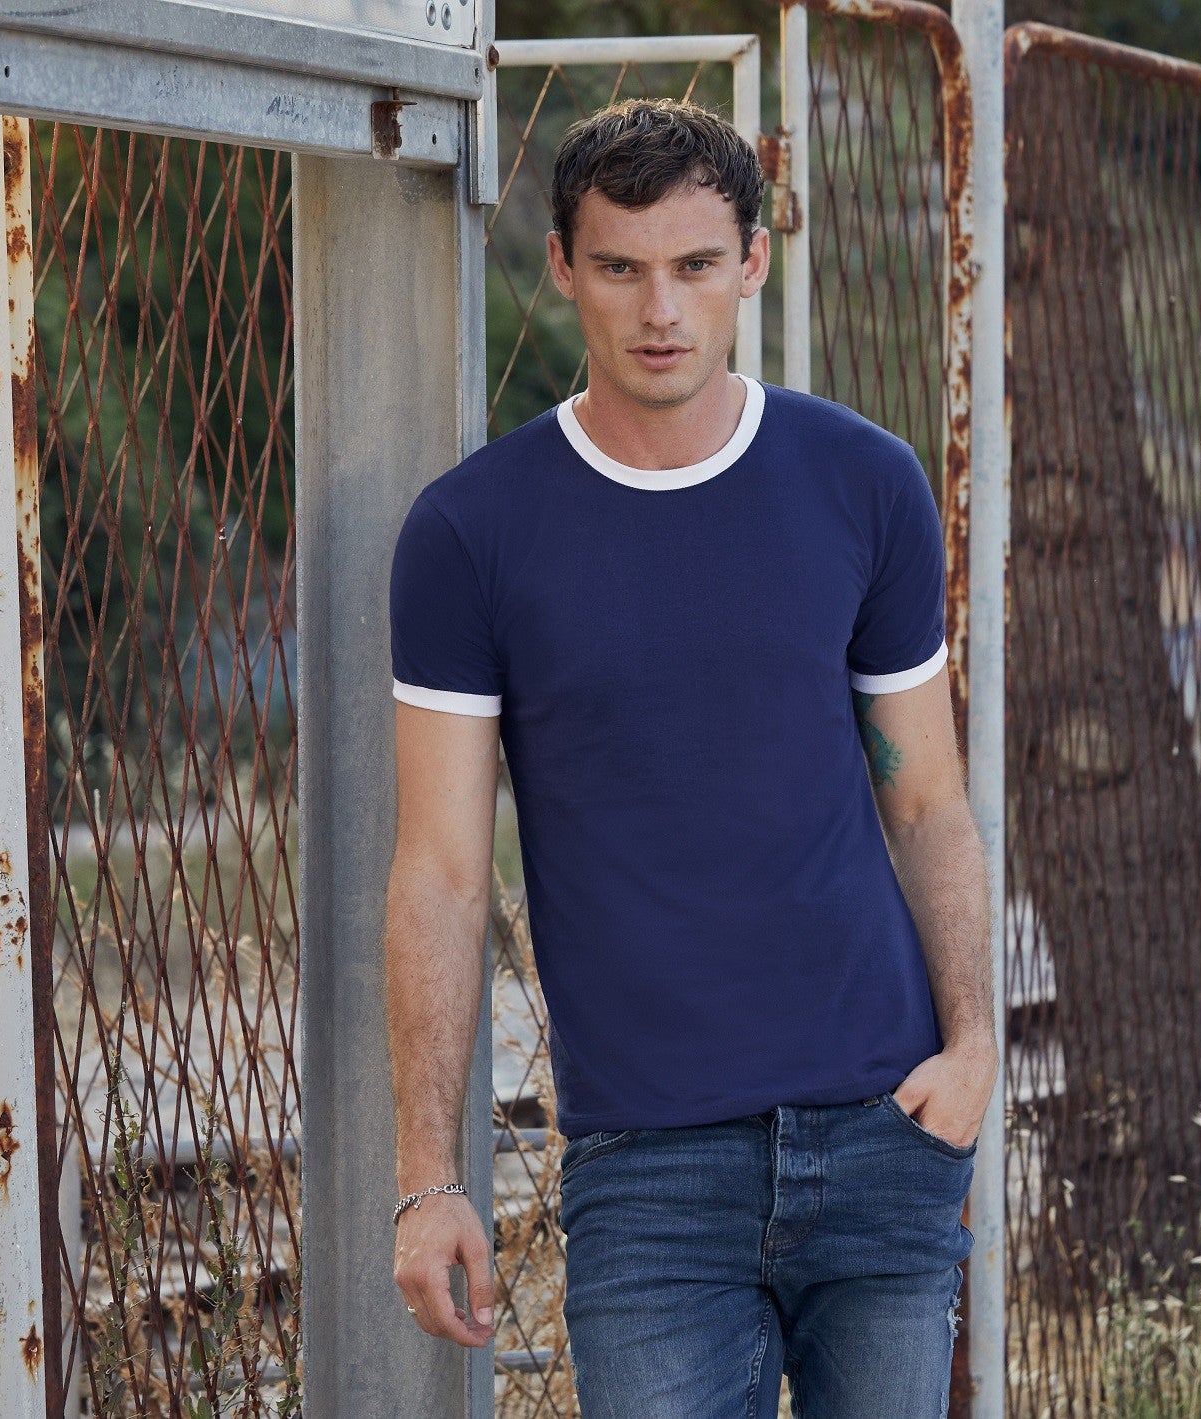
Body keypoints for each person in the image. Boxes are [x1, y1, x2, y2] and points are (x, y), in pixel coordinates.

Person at [384, 96, 998, 1417]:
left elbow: (929, 804)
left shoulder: (864, 484)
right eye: (620, 267)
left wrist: (973, 1050)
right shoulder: (471, 533)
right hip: (651, 1175)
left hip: (883, 1137)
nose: (660, 310)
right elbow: (438, 870)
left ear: (753, 262)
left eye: (696, 265)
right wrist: (428, 1178)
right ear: (562, 266)